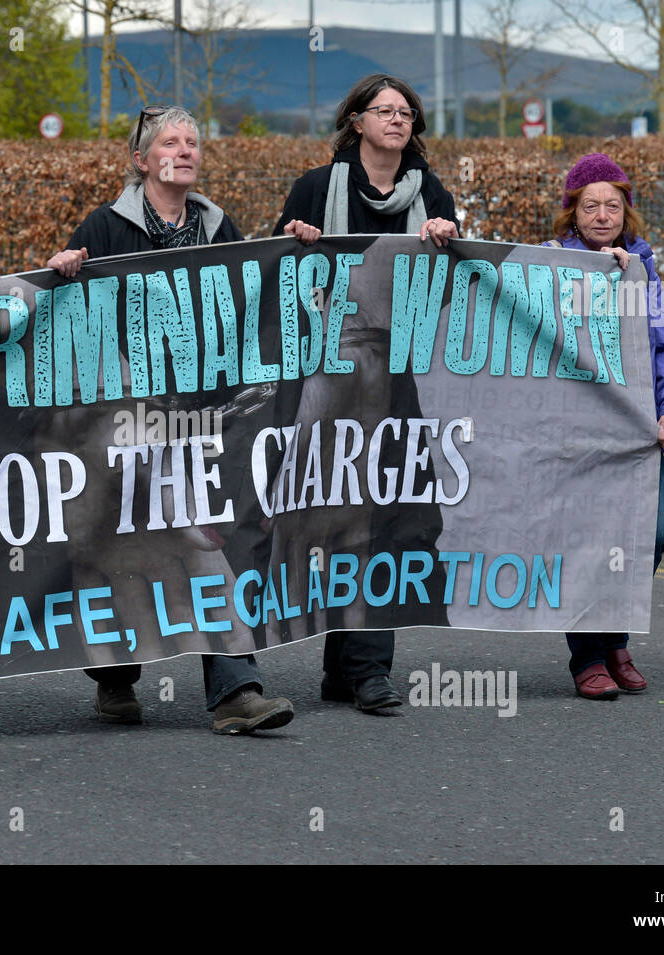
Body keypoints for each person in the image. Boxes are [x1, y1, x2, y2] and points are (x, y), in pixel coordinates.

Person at [47, 105, 295, 735]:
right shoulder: (104, 226)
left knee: (204, 539)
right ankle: (115, 675)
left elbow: (250, 297)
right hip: (122, 416)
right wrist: (64, 270)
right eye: (170, 143)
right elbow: (68, 316)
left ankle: (236, 687)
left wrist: (295, 251)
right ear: (140, 160)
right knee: (115, 541)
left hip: (201, 419)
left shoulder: (218, 226)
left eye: (193, 142)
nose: (184, 151)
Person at [272, 73, 458, 714]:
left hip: (396, 378)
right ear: (356, 121)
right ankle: (342, 665)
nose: (398, 120)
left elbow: (452, 288)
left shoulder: (430, 192)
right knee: (333, 511)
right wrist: (296, 248)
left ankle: (372, 668)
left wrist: (446, 243)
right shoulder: (316, 188)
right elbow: (273, 277)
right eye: (385, 110)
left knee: (390, 514)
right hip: (326, 373)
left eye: (407, 112)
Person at [544, 152, 664, 699]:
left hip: (634, 430)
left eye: (612, 205)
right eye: (590, 205)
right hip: (576, 432)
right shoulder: (551, 262)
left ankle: (614, 638)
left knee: (648, 535)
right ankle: (589, 656)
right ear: (572, 212)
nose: (602, 215)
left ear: (625, 212)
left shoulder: (643, 268)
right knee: (583, 539)